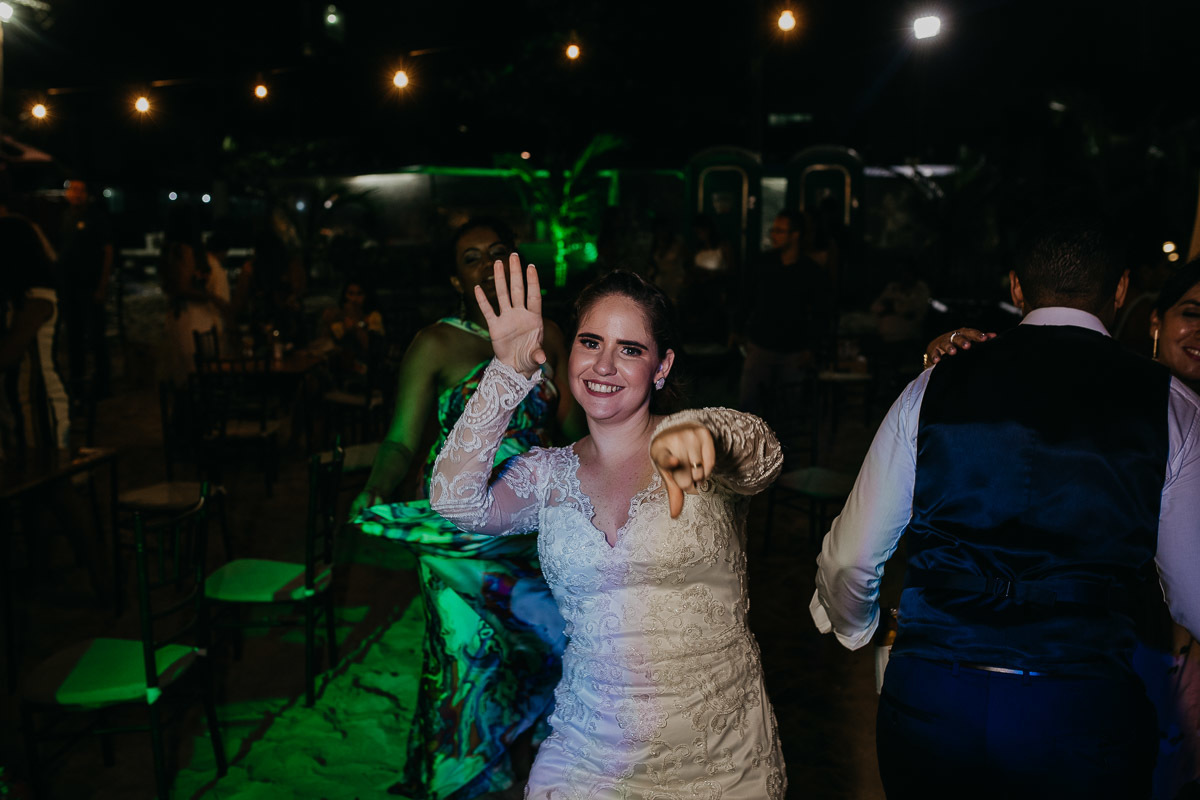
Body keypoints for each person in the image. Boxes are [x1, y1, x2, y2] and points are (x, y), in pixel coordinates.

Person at [811, 224, 1200, 797]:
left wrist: (854, 626)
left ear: (1017, 289)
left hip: (934, 701)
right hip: (1077, 710)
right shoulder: (1172, 407)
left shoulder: (934, 385)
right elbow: (1194, 594)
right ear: (1120, 292)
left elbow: (850, 560)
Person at [426, 261, 787, 797]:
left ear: (661, 367)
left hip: (720, 761)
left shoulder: (702, 442)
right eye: (590, 342)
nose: (604, 364)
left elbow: (765, 456)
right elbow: (453, 501)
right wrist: (507, 373)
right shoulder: (548, 474)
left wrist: (707, 432)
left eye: (630, 349)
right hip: (587, 753)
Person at [351, 218, 578, 799]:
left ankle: (527, 771)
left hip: (531, 524)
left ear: (515, 261)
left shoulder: (551, 333)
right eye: (471, 257)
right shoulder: (435, 343)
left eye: (496, 252)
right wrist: (378, 486)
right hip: (461, 529)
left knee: (546, 647)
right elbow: (402, 438)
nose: (486, 263)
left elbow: (573, 432)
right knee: (464, 656)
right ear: (458, 279)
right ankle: (459, 781)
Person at [733, 208, 833, 417]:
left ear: (795, 235)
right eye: (774, 230)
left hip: (793, 350)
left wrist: (811, 348)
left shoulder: (810, 271)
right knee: (748, 406)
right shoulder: (763, 264)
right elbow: (746, 298)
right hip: (761, 344)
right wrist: (737, 329)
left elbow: (821, 312)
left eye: (780, 231)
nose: (773, 235)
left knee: (788, 410)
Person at [57, 179, 114, 404]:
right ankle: (77, 384)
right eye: (72, 189)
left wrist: (102, 285)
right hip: (70, 288)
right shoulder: (65, 217)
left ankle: (102, 384)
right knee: (74, 338)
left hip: (91, 286)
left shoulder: (96, 218)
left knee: (96, 337)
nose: (75, 194)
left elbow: (108, 250)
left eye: (80, 190)